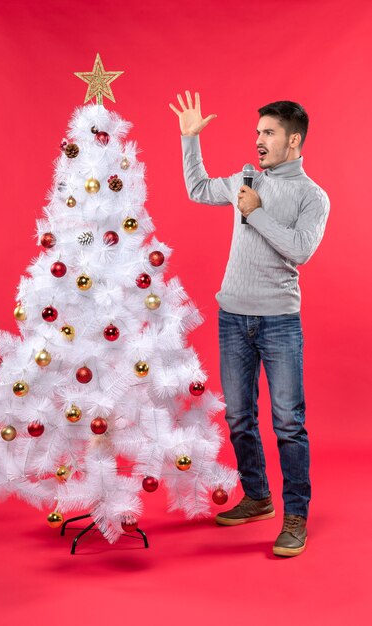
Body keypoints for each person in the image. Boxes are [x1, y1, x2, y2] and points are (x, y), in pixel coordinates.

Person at [169, 91, 330, 557]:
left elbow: (300, 250)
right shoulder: (244, 178)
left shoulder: (311, 195)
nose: (258, 140)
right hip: (232, 316)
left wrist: (254, 211)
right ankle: (257, 497)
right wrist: (188, 140)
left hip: (279, 321)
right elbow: (198, 189)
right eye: (257, 131)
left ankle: (295, 516)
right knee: (239, 417)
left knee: (288, 423)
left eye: (269, 132)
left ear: (293, 141)